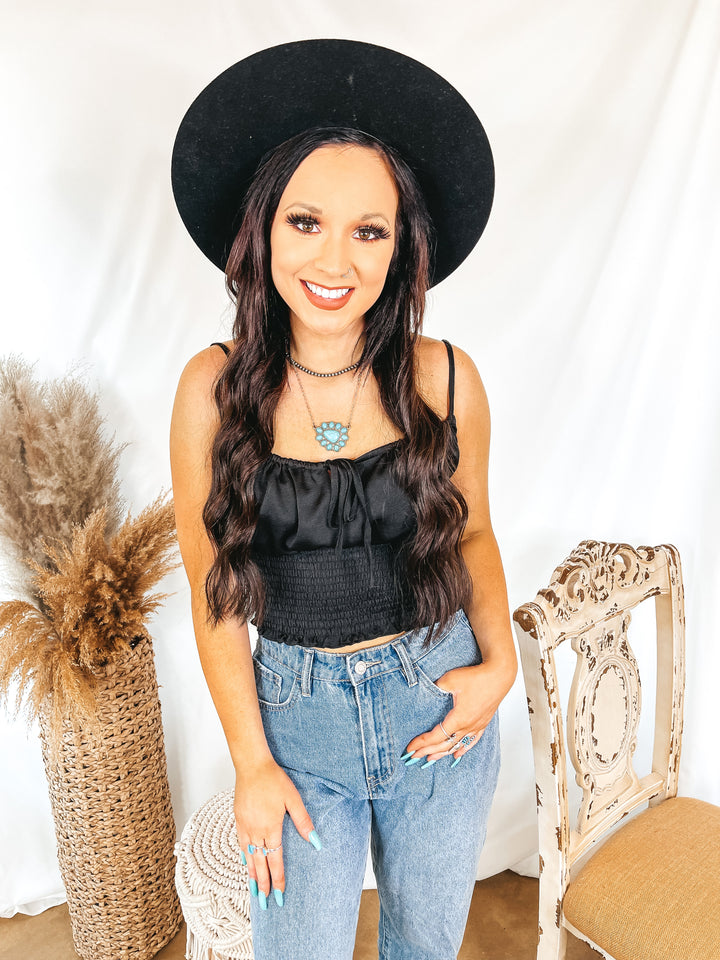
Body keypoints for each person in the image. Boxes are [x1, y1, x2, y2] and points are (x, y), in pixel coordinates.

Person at [169, 39, 517, 960]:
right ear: (262, 231)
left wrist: (501, 666)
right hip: (296, 726)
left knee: (424, 948)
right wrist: (251, 763)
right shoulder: (211, 390)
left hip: (436, 705)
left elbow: (475, 534)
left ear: (401, 247)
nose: (336, 259)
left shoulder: (444, 376)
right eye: (305, 222)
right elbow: (213, 593)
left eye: (369, 231)